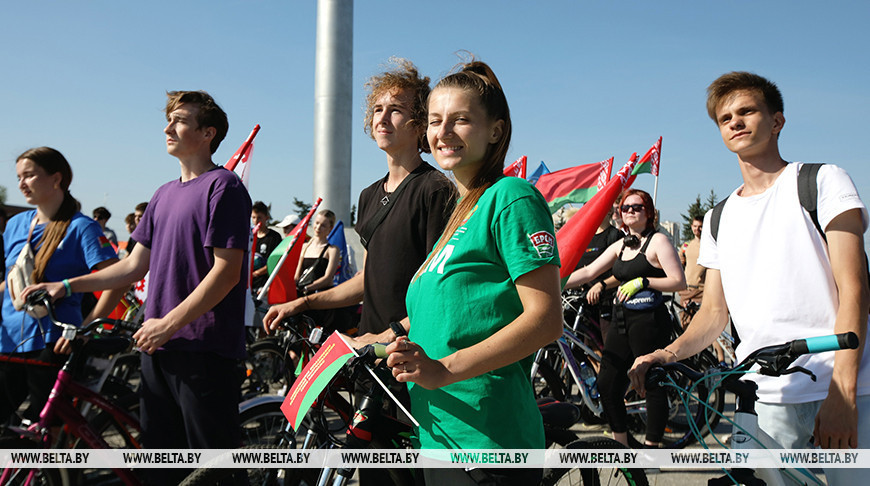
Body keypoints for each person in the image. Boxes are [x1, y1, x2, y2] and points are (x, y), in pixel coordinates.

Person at [629, 72, 869, 481]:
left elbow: (855, 291)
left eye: (747, 111)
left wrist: (842, 394)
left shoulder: (822, 181)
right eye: (725, 118)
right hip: (765, 400)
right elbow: (713, 314)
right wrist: (664, 354)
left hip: (843, 386)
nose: (735, 122)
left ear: (776, 121)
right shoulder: (720, 217)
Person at [23, 91, 251, 484]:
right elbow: (131, 266)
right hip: (157, 348)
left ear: (208, 132)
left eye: (179, 120)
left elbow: (227, 272)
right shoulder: (162, 194)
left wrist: (169, 322)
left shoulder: (224, 186)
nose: (167, 128)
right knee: (161, 468)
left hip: (203, 350)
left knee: (214, 471)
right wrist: (66, 285)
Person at [381, 60, 562, 486]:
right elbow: (447, 311)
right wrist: (368, 341)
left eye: (460, 120)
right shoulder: (457, 217)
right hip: (440, 435)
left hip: (491, 441)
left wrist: (443, 369)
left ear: (495, 131)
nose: (443, 132)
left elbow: (545, 318)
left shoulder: (511, 197)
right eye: (435, 121)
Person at [263, 58, 455, 342]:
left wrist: (391, 335)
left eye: (396, 110)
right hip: (369, 353)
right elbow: (368, 279)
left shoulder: (436, 189)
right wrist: (303, 303)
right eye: (378, 109)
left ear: (420, 123)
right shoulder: (368, 196)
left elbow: (441, 289)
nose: (382, 118)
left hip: (414, 354)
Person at [1, 147, 124, 424]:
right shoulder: (15, 224)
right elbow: (12, 281)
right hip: (8, 339)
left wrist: (88, 327)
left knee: (46, 428)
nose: (21, 183)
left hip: (52, 342)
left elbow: (117, 280)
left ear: (56, 179)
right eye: (19, 176)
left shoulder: (82, 227)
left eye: (30, 175)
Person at [565, 189, 686, 447]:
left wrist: (644, 281)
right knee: (607, 385)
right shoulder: (621, 244)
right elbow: (588, 271)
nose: (630, 210)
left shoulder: (658, 242)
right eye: (625, 207)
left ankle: (652, 450)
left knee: (652, 384)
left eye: (637, 207)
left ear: (649, 212)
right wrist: (556, 283)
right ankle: (621, 447)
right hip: (621, 320)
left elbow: (679, 281)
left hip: (649, 322)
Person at [567, 204, 623, 343]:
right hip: (582, 304)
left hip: (606, 304)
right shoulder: (583, 238)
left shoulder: (615, 236)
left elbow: (622, 273)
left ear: (609, 210)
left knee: (605, 350)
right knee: (583, 349)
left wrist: (601, 285)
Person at [678, 216, 706, 328]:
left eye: (700, 227)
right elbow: (679, 263)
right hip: (686, 290)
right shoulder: (686, 246)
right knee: (685, 324)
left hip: (702, 291)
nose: (697, 229)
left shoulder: (709, 246)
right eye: (695, 226)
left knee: (704, 328)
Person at [251, 201, 283, 293]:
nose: (256, 221)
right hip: (248, 285)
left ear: (266, 218)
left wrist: (256, 273)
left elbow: (275, 262)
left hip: (264, 286)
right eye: (253, 217)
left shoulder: (274, 237)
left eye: (259, 218)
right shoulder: (249, 236)